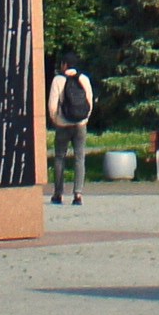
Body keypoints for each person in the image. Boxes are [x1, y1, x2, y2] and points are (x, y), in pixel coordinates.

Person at [45, 54, 98, 205]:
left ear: (65, 65)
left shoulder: (58, 80)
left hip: (62, 125)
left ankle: (58, 194)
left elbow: (52, 105)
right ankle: (78, 194)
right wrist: (84, 119)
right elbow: (89, 102)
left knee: (60, 157)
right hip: (80, 125)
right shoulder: (84, 79)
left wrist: (56, 120)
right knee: (80, 158)